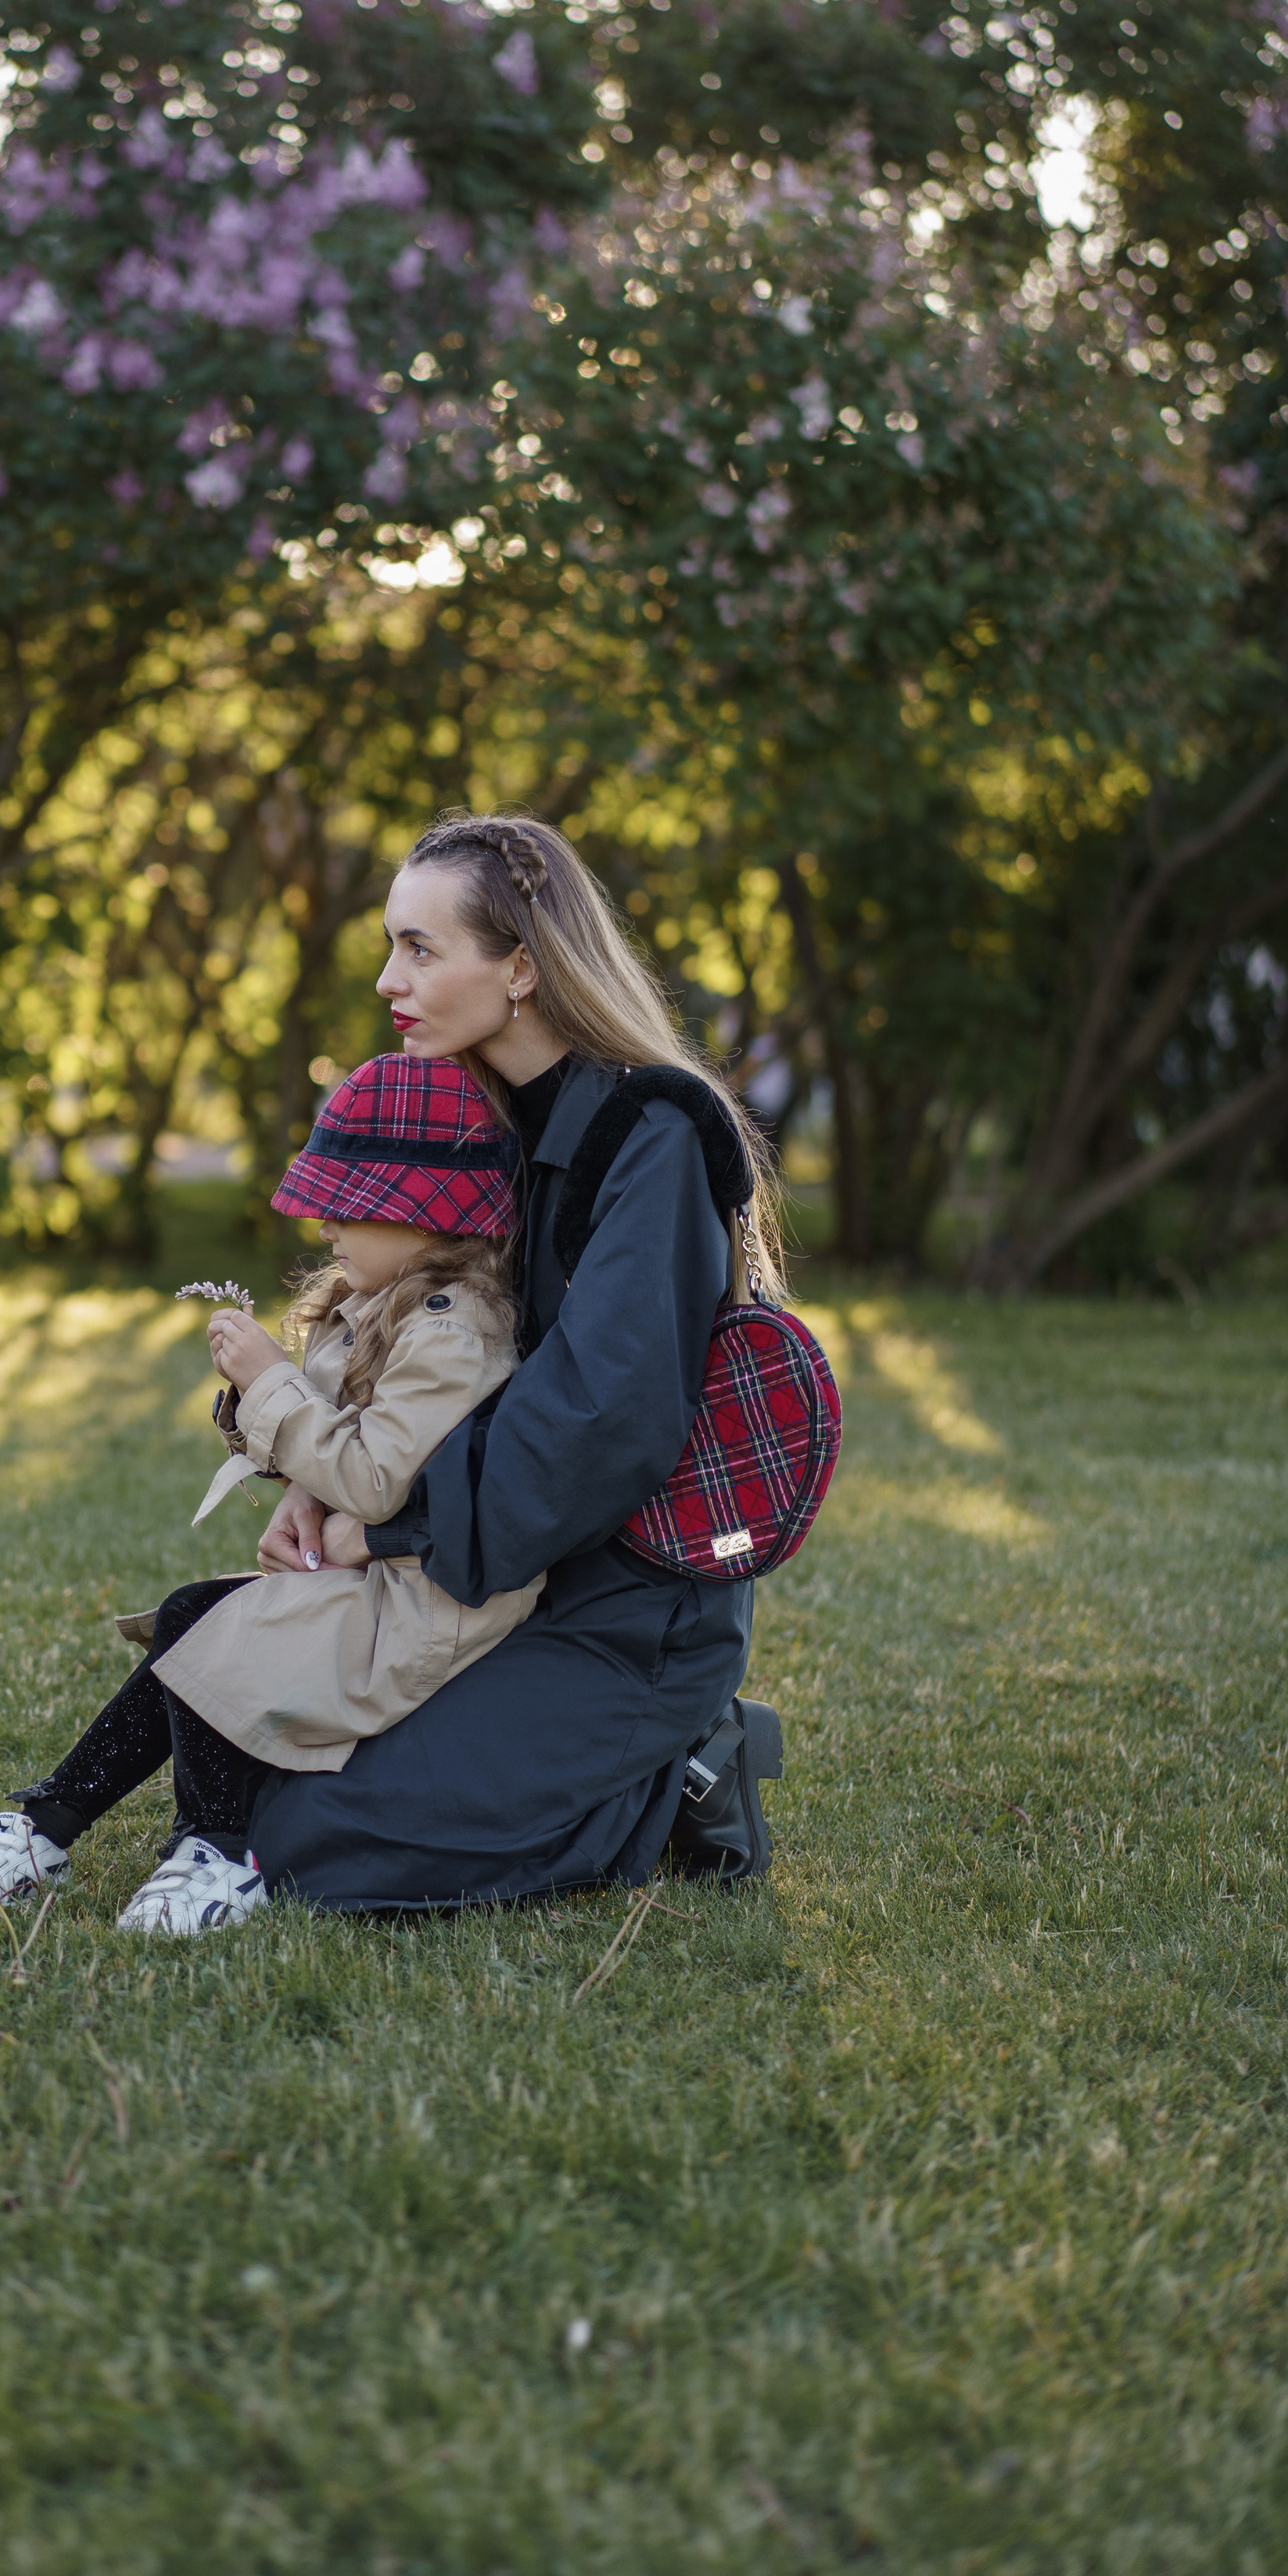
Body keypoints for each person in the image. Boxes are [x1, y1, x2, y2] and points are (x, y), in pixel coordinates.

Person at [246, 810, 787, 1912]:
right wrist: (318, 1477)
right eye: (390, 945)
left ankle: (680, 1765)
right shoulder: (469, 1113)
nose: (391, 979)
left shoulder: (653, 1136)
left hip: (625, 1611)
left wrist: (388, 1525)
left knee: (311, 1840)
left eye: (421, 948)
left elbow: (601, 1422)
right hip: (489, 1585)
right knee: (249, 1755)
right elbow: (403, 1330)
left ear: (525, 967)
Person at [0, 1056, 536, 1936]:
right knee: (194, 1617)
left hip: (428, 1607)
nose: (325, 1221)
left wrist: (271, 1387)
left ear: (425, 1213)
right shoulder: (377, 1305)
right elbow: (331, 1450)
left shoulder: (452, 1331)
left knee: (210, 1631)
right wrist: (260, 1415)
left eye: (349, 1203)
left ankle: (215, 1852)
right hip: (377, 1582)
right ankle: (45, 1825)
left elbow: (373, 1477)